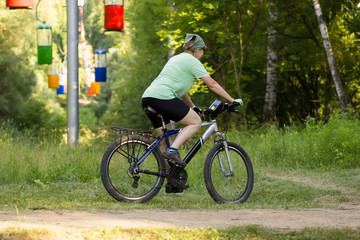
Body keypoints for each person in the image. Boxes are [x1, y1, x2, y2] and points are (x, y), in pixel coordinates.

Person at [142, 33, 243, 193]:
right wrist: (232, 100)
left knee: (167, 138)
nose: (203, 55)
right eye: (203, 51)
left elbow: (181, 90)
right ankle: (173, 151)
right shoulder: (192, 61)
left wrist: (193, 106)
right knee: (195, 122)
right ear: (197, 50)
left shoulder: (176, 59)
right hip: (163, 98)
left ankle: (172, 181)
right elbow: (212, 83)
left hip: (149, 98)